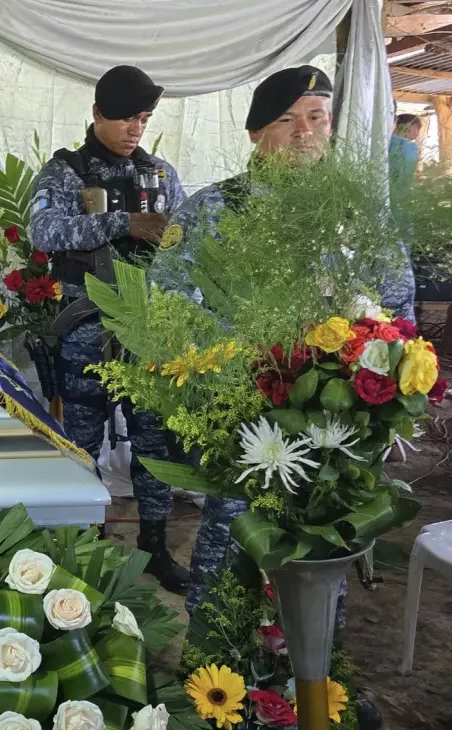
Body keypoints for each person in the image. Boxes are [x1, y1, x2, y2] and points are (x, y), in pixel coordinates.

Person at [158, 65, 416, 615]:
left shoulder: (358, 216)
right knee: (231, 549)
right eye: (285, 120)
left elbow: (398, 311)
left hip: (337, 427)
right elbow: (169, 306)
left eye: (316, 117)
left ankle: (320, 687)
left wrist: (370, 376)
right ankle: (214, 673)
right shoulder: (211, 210)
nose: (304, 132)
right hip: (245, 422)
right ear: (255, 132)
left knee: (324, 551)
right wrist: (230, 369)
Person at [29, 64, 190, 594]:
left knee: (153, 446)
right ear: (97, 113)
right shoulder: (67, 171)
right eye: (123, 117)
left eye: (142, 119)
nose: (134, 129)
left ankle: (154, 546)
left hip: (148, 333)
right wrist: (123, 223)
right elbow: (44, 230)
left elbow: (186, 242)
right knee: (81, 442)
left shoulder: (161, 175)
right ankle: (82, 547)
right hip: (87, 333)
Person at [390, 112, 422, 188]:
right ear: (407, 126)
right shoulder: (410, 146)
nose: (417, 133)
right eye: (418, 127)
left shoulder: (385, 141)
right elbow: (407, 175)